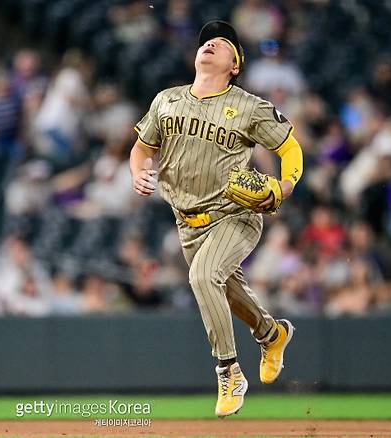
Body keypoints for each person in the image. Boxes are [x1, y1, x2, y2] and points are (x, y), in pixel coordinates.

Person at [129, 21, 304, 417]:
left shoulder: (249, 106)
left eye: (221, 42)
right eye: (206, 39)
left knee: (203, 277)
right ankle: (272, 334)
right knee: (226, 291)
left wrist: (286, 185)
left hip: (235, 214)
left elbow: (290, 147)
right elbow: (141, 149)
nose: (209, 43)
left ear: (235, 65)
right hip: (186, 221)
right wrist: (137, 171)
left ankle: (229, 371)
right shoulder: (166, 101)